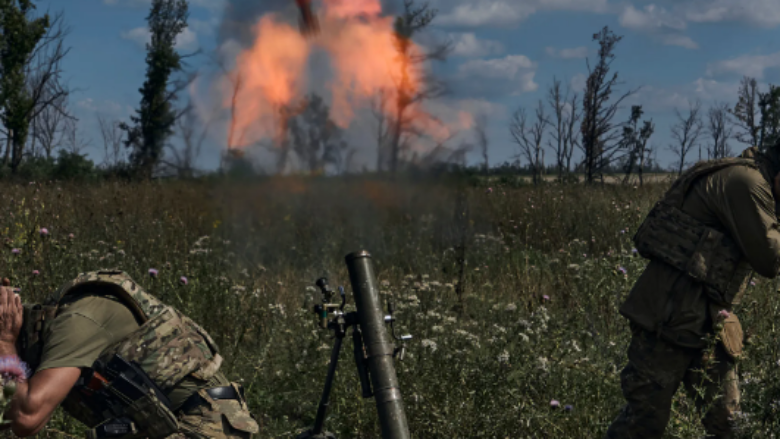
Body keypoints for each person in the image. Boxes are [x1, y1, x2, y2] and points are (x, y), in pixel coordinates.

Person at [605, 146, 780, 439]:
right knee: (642, 425)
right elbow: (770, 259)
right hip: (668, 321)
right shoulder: (746, 182)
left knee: (730, 425)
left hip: (711, 325)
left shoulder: (757, 182)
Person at [0, 270, 259, 438]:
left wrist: (4, 344)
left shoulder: (73, 323)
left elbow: (27, 417)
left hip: (206, 426)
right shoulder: (36, 345)